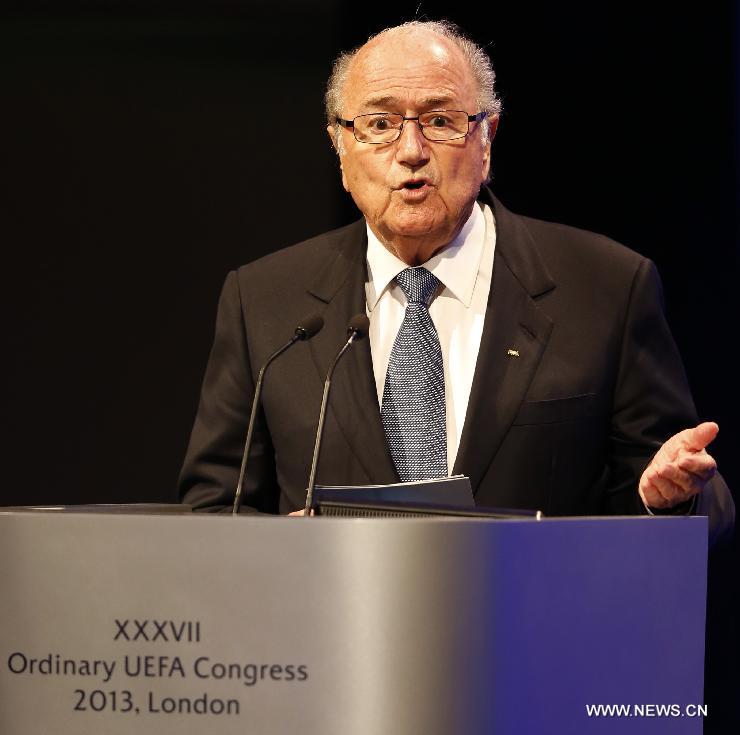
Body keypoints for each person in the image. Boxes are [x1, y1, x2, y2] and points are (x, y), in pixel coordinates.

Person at [178, 20, 733, 541]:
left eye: (440, 121)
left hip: (533, 632)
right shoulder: (266, 302)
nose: (412, 152)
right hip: (330, 638)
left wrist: (672, 500)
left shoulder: (606, 288)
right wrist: (277, 553)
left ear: (486, 138)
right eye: (379, 125)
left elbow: (697, 503)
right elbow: (213, 512)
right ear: (340, 148)